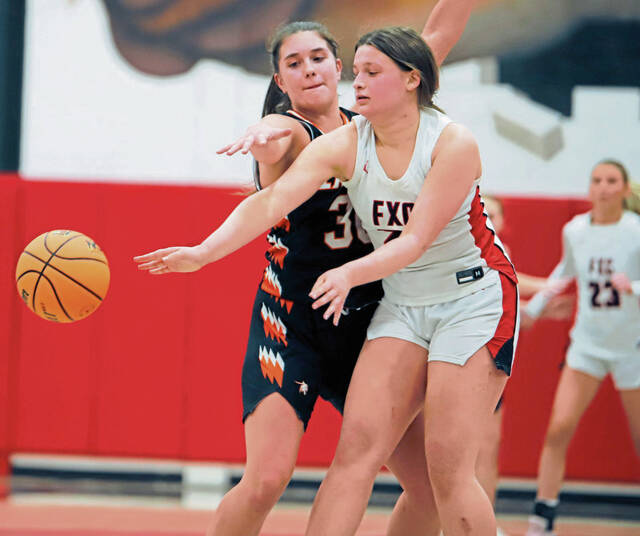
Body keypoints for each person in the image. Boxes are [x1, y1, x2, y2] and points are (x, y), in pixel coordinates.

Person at [136, 25, 517, 535]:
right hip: (308, 317)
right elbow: (273, 177)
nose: (315, 70)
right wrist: (205, 250)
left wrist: (351, 272)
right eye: (294, 63)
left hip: (402, 304)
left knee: (437, 476)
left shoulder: (429, 133)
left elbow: (431, 38)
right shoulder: (312, 135)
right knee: (279, 475)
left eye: (323, 59)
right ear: (280, 78)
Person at [524, 160, 640, 536]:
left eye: (612, 181)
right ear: (589, 188)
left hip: (631, 347)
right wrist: (534, 309)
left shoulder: (635, 231)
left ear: (624, 189)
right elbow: (564, 273)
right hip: (587, 346)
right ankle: (542, 519)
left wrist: (633, 288)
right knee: (558, 429)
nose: (603, 187)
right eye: (597, 180)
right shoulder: (574, 230)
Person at [476, 196, 574, 530]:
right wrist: (548, 284)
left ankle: (483, 522)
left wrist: (543, 309)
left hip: (490, 362)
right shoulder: (467, 247)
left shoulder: (503, 253)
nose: (486, 216)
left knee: (488, 448)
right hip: (459, 358)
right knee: (448, 448)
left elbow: (514, 311)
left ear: (504, 221)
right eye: (482, 209)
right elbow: (507, 277)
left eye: (493, 211)